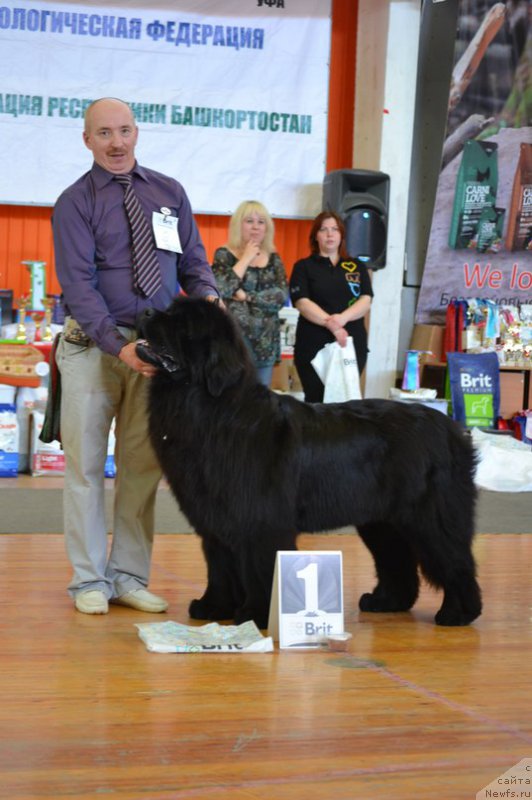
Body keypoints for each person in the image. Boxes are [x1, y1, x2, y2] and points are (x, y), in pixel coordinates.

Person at [52, 97, 220, 615]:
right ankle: (87, 581)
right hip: (92, 347)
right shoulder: (74, 202)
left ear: (137, 132)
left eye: (123, 130)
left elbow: (193, 261)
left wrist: (209, 296)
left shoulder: (170, 193)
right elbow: (78, 285)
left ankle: (127, 576)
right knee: (85, 468)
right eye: (104, 133)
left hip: (158, 350)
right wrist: (116, 345)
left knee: (142, 465)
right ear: (87, 140)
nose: (116, 143)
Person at [289, 210, 373, 402]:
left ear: (342, 235)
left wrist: (342, 319)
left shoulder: (356, 266)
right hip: (313, 344)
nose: (329, 234)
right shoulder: (303, 266)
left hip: (350, 344)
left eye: (334, 229)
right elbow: (302, 302)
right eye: (324, 230)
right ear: (315, 236)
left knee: (346, 403)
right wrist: (332, 325)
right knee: (316, 404)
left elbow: (366, 300)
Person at [212, 200, 288, 386]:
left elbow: (280, 297)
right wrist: (245, 258)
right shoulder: (223, 254)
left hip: (265, 345)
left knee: (260, 407)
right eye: (249, 221)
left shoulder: (274, 258)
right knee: (231, 403)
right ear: (239, 224)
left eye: (261, 222)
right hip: (233, 343)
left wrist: (247, 296)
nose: (255, 227)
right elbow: (221, 290)